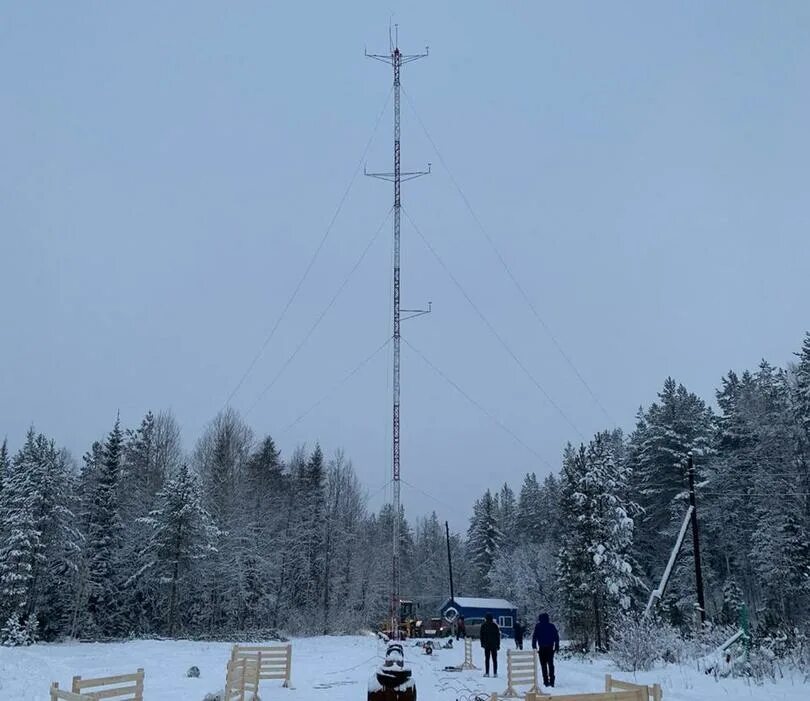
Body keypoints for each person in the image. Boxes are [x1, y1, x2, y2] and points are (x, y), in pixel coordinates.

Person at [531, 612, 560, 688]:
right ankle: (552, 681)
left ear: (540, 619)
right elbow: (556, 636)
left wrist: (534, 646)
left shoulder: (538, 626)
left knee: (543, 665)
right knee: (551, 665)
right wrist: (556, 645)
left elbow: (535, 637)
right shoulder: (551, 626)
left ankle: (546, 681)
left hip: (542, 649)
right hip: (550, 648)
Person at [479, 612, 501, 678]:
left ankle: (487, 673)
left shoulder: (483, 625)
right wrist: (498, 645)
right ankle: (495, 673)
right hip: (494, 645)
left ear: (486, 618)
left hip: (486, 645)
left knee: (487, 659)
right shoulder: (495, 626)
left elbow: (481, 636)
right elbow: (498, 636)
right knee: (495, 659)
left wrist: (482, 644)